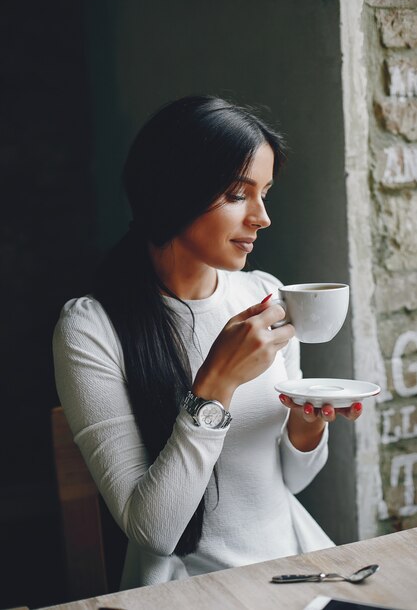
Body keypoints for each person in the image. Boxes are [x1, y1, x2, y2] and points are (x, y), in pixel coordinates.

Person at [52, 95, 362, 590]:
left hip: (297, 567)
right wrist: (216, 385)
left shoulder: (265, 295)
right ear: (173, 192)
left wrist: (307, 424)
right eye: (239, 194)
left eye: (265, 194)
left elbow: (291, 482)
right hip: (190, 588)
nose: (262, 218)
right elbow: (153, 531)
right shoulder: (91, 328)